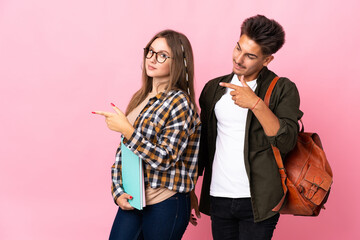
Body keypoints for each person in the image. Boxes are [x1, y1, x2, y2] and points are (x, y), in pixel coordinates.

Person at [192, 15, 303, 239]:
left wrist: (255, 104)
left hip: (260, 200)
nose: (239, 59)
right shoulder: (214, 88)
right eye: (238, 48)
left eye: (250, 56)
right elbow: (202, 146)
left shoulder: (283, 88)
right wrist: (190, 190)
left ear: (267, 60)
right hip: (218, 196)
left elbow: (286, 141)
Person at [93, 29, 201, 240]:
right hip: (135, 198)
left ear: (179, 62)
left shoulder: (179, 102)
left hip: (166, 201)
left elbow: (166, 158)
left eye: (162, 55)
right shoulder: (140, 97)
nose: (152, 59)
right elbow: (123, 153)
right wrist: (118, 191)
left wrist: (127, 130)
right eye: (150, 51)